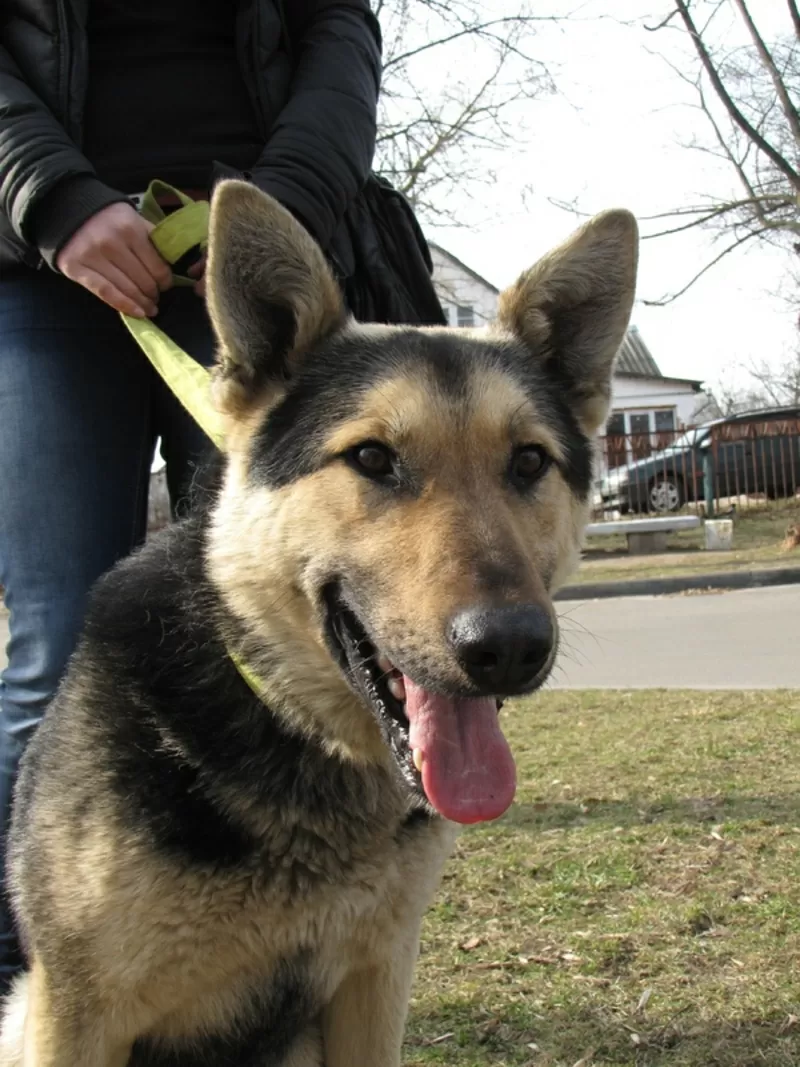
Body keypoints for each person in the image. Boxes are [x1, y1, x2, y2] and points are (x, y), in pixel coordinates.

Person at [0, 0, 381, 995]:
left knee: (294, 636)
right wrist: (53, 197)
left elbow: (338, 31)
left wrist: (284, 203)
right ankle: (31, 980)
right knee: (53, 638)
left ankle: (280, 967)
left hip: (263, 271)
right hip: (44, 274)